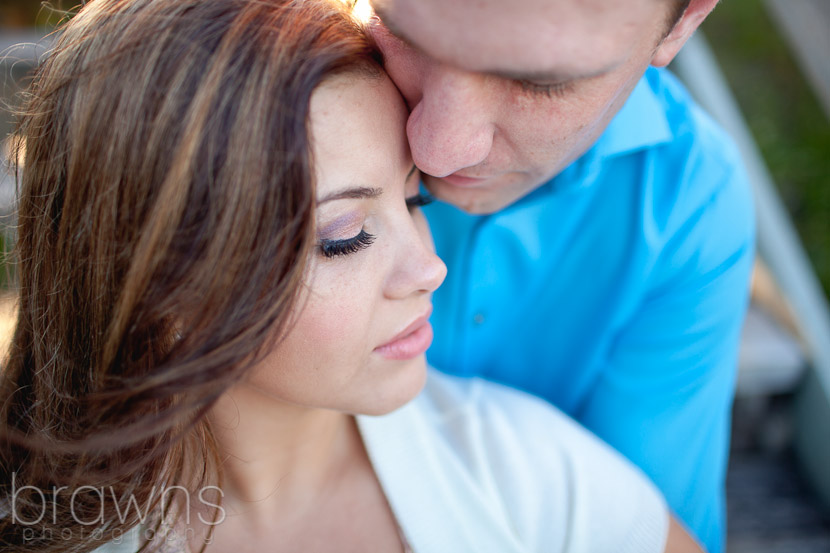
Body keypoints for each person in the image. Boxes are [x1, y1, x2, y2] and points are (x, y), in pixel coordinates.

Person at [0, 0, 707, 551]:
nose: (432, 266)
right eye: (346, 236)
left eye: (413, 199)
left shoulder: (534, 480)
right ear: (161, 282)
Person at [366, 1, 756, 551]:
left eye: (538, 82)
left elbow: (642, 531)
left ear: (687, 18)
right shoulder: (247, 95)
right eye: (398, 33)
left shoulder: (689, 204)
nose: (436, 149)